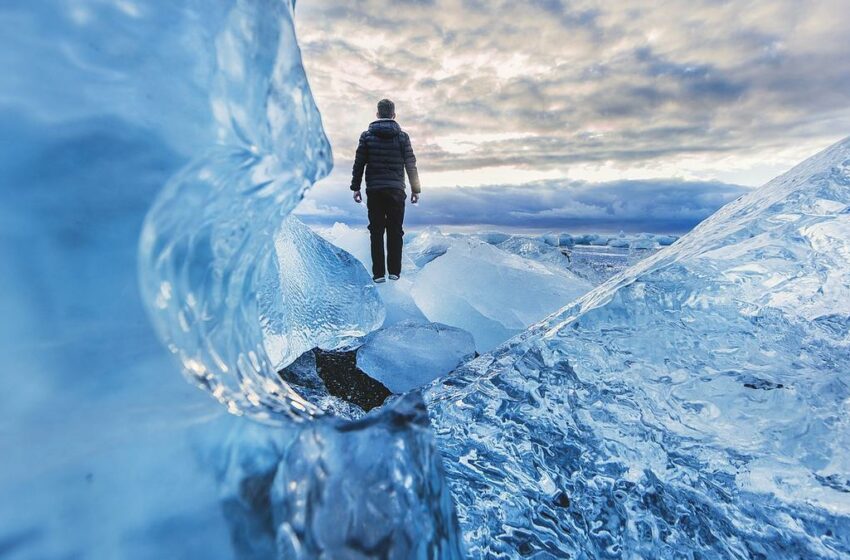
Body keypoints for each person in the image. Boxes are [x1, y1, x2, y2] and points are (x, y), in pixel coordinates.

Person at [350, 98, 421, 283]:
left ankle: (379, 274)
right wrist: (416, 189)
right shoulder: (402, 137)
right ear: (393, 115)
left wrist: (355, 187)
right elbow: (410, 164)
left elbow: (359, 163)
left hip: (374, 190)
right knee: (395, 231)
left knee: (376, 231)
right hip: (397, 190)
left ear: (377, 114)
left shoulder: (366, 136)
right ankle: (394, 272)